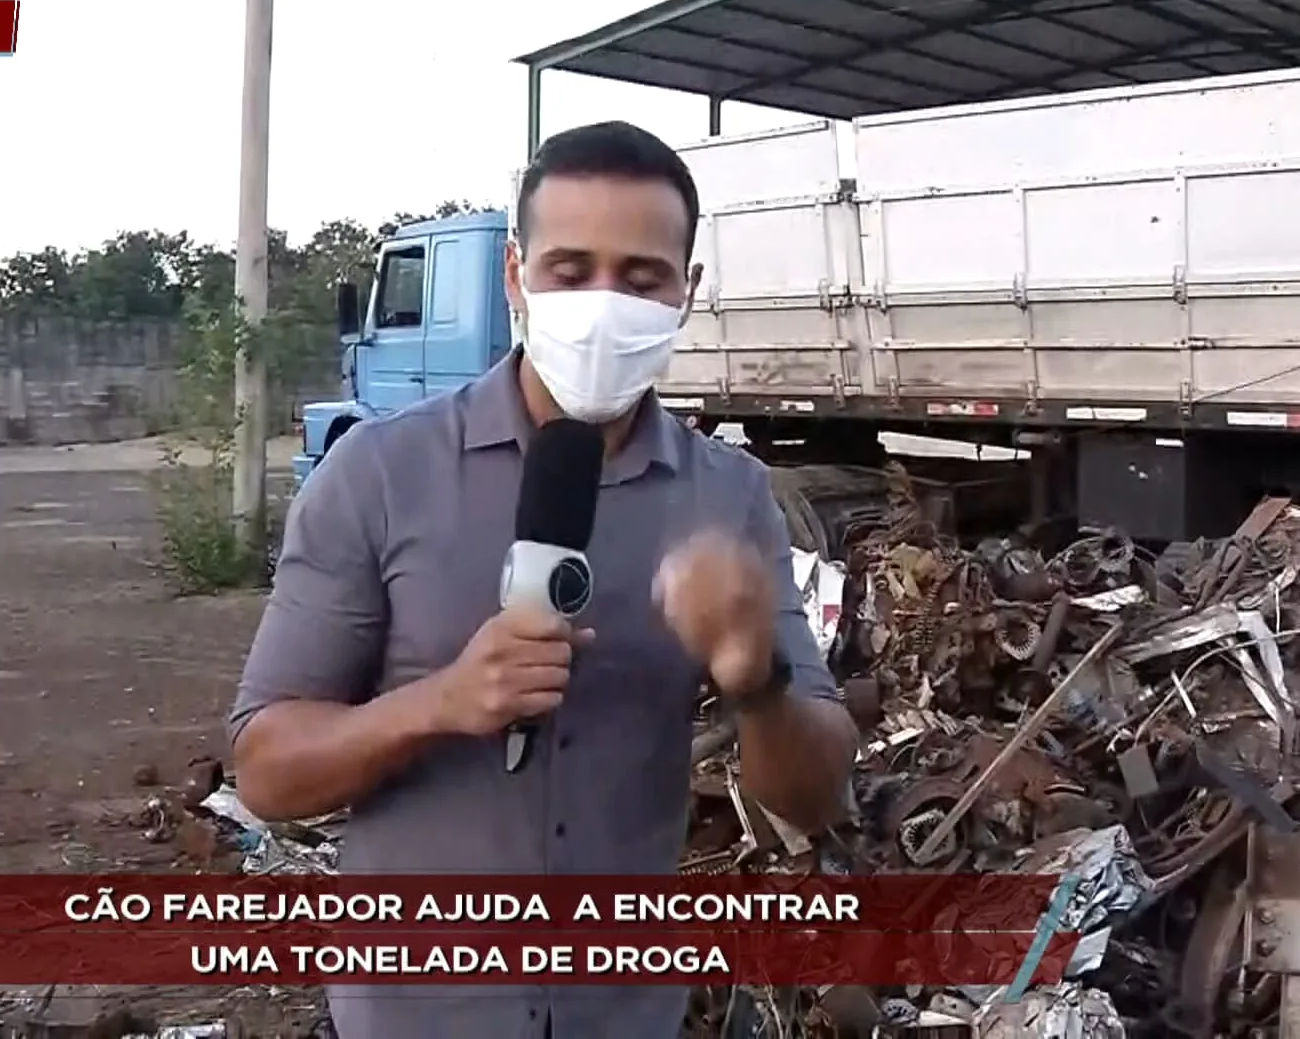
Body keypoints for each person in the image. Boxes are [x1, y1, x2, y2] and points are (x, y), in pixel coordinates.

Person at [227, 120, 859, 1039]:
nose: (604, 305)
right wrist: (442, 700)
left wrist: (753, 680)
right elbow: (267, 776)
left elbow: (814, 800)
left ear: (688, 294)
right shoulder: (377, 474)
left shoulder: (730, 498)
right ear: (517, 277)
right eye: (571, 271)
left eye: (641, 279)